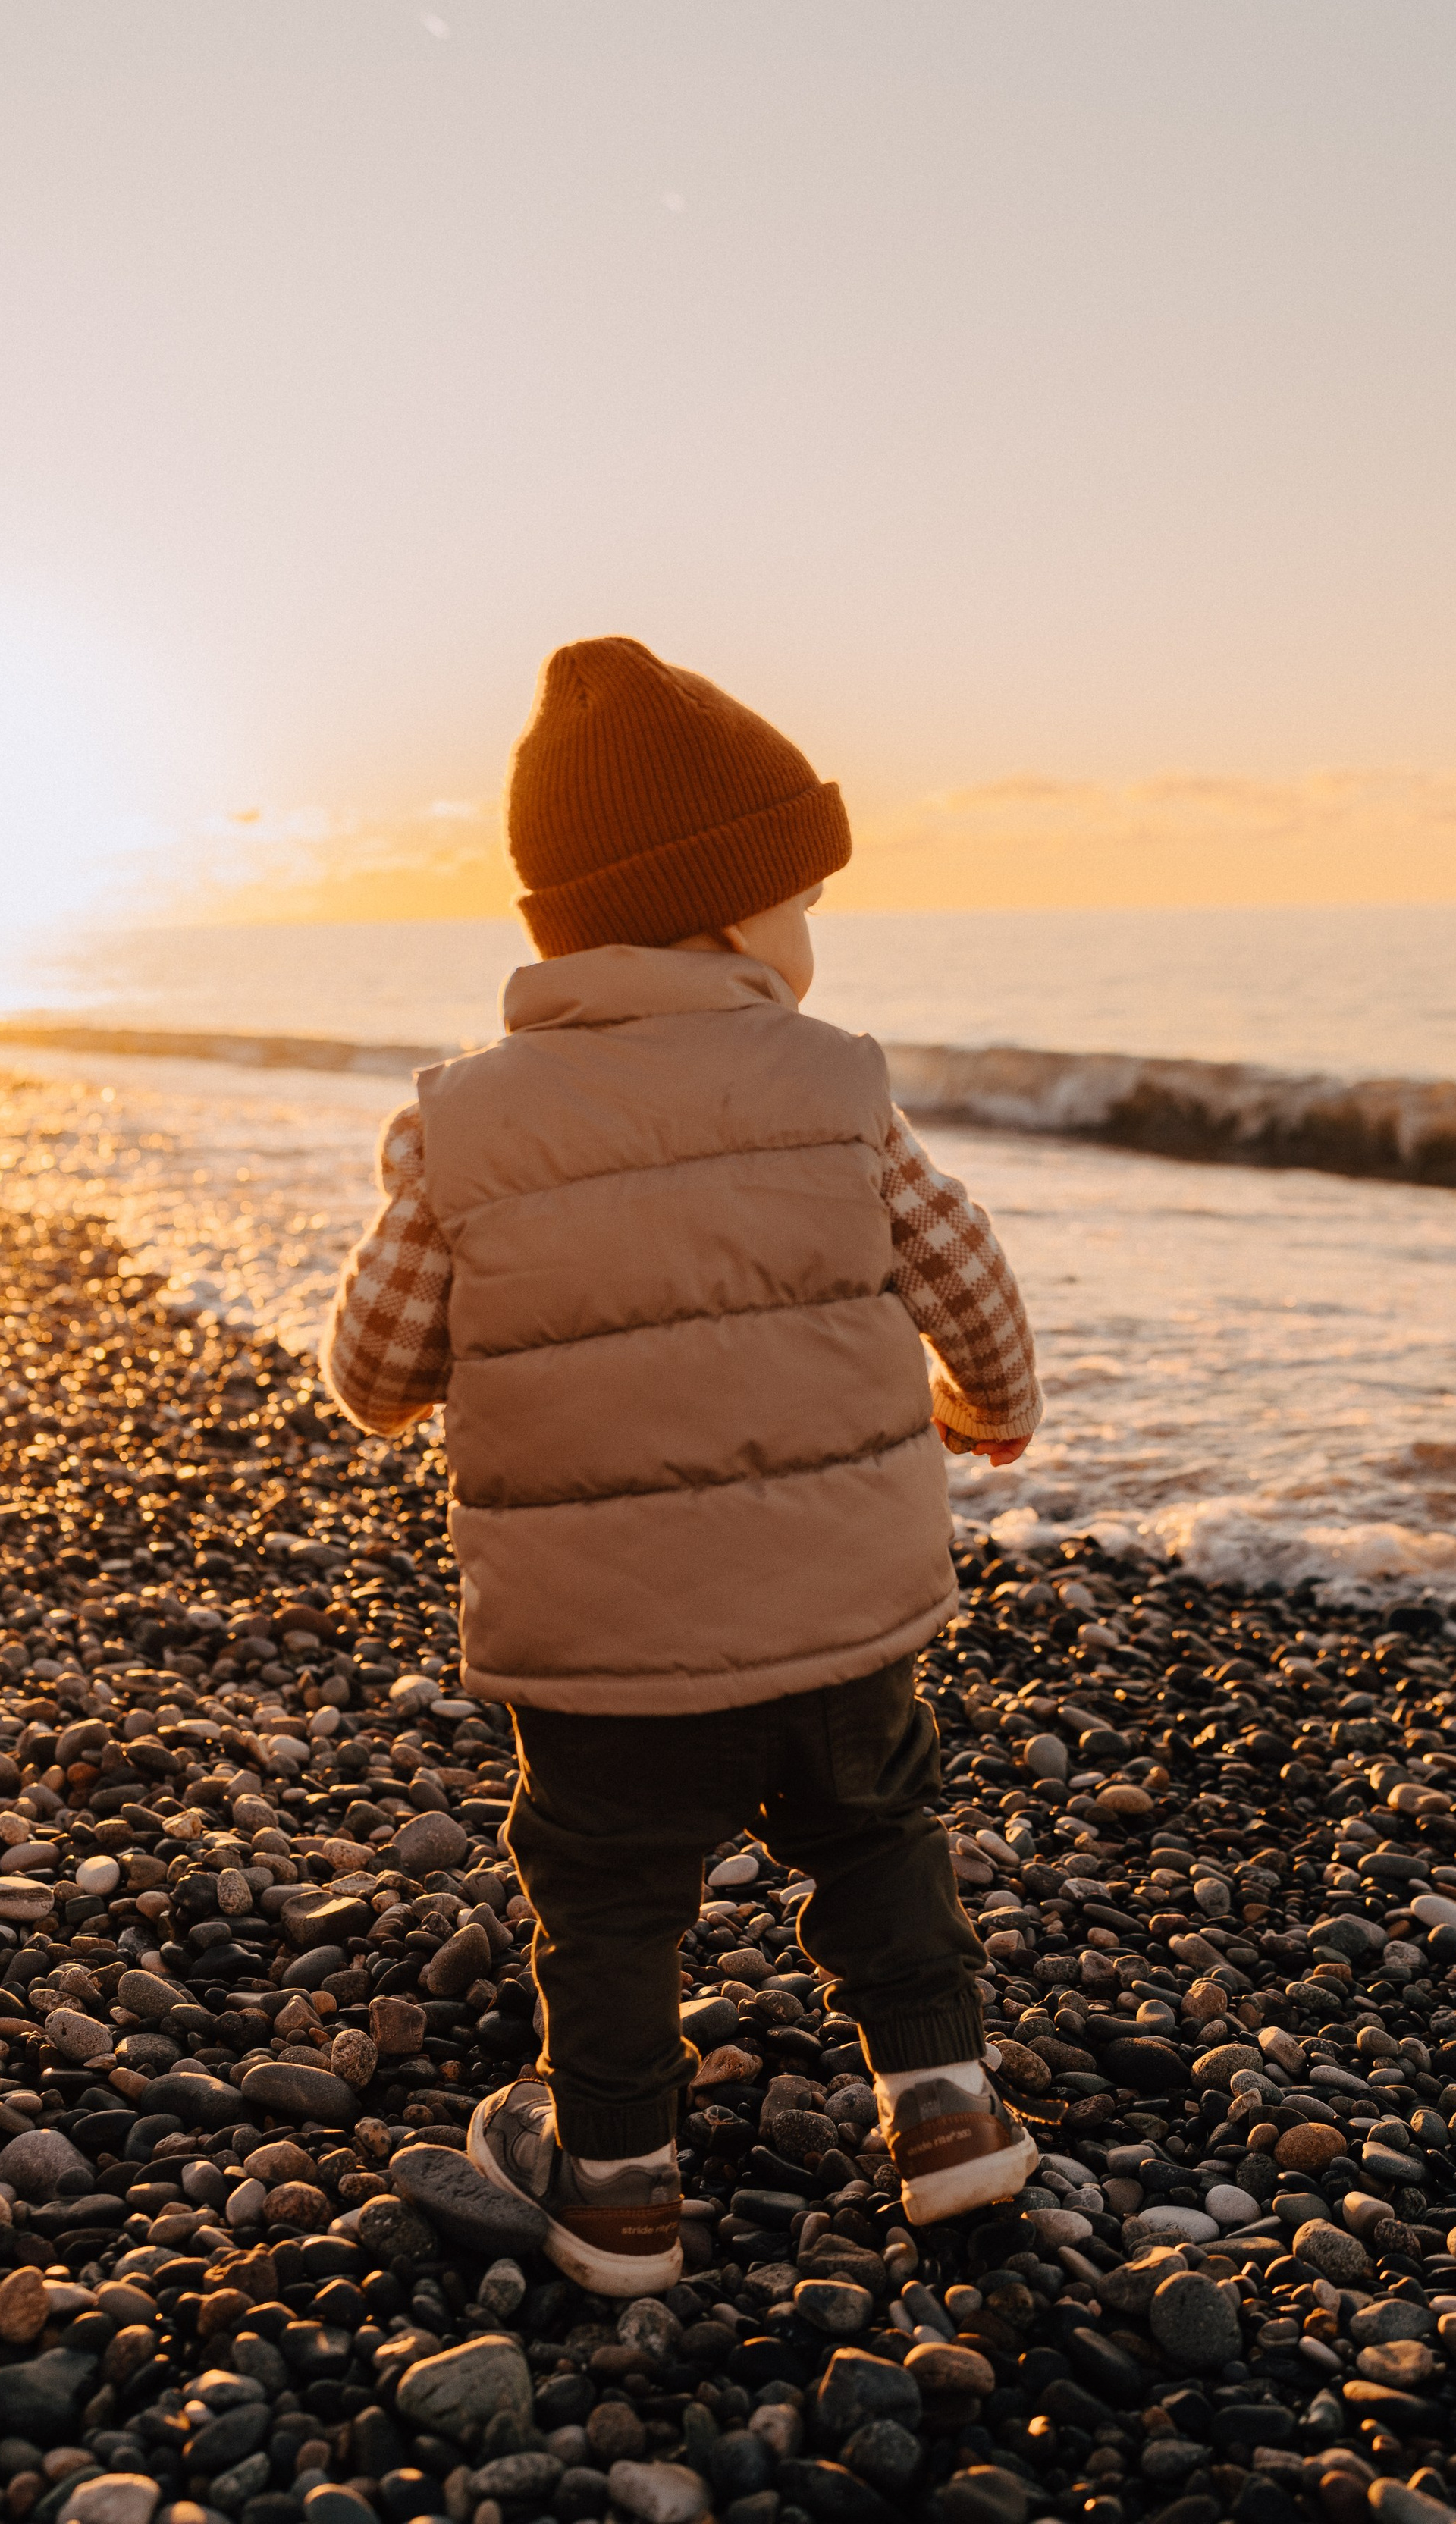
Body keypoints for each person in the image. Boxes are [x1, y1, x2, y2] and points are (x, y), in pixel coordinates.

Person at [321, 636, 1043, 2296]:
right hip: (838, 1613)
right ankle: (946, 2114)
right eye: (800, 903)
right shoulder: (838, 1084)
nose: (810, 940)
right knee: (878, 1837)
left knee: (607, 1900)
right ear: (724, 917)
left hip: (602, 1647)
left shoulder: (463, 1127)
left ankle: (620, 2192)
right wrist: (985, 1400)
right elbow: (969, 1277)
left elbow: (374, 1374)